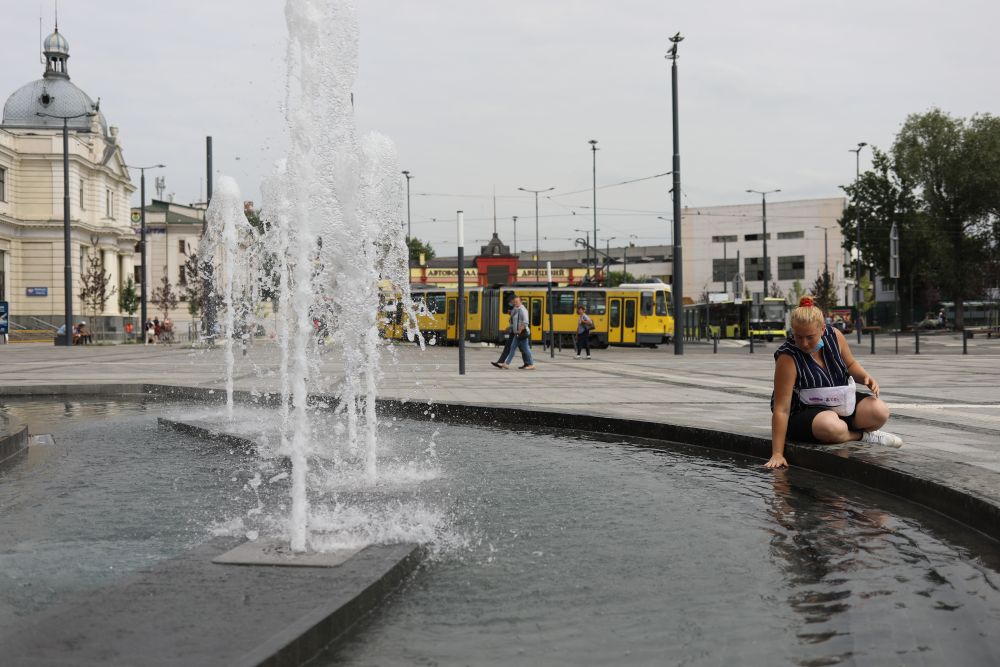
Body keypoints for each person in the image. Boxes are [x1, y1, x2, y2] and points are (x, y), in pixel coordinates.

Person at [767, 295, 902, 469]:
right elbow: (781, 409)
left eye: (810, 337)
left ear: (823, 329)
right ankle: (862, 436)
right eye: (798, 337)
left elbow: (850, 364)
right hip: (803, 412)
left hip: (838, 401)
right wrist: (777, 453)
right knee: (830, 425)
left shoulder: (835, 336)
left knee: (879, 411)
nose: (804, 343)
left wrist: (865, 377)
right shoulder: (787, 356)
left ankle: (843, 431)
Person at [500, 295, 535, 369]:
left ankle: (531, 364)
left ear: (520, 302)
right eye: (514, 302)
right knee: (512, 348)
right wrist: (510, 327)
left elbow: (526, 322)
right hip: (517, 333)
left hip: (522, 333)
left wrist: (519, 330)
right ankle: (506, 364)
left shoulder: (523, 310)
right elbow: (515, 321)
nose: (515, 303)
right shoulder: (516, 309)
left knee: (525, 349)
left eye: (517, 302)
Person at [491, 298, 516, 369]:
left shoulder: (519, 309)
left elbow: (518, 321)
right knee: (508, 347)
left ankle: (529, 363)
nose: (510, 303)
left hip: (518, 333)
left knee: (524, 349)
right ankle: (501, 362)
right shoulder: (514, 309)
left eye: (511, 301)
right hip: (514, 332)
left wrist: (509, 327)